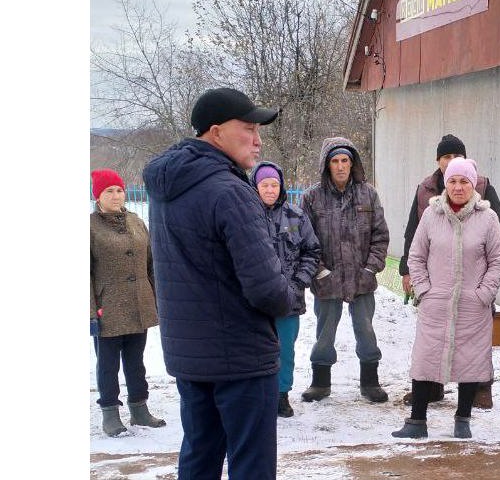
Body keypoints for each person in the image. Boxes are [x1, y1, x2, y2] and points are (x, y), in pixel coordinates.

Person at [143, 87, 302, 480]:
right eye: (248, 128)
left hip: (192, 355)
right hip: (241, 357)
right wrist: (291, 296)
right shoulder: (231, 191)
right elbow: (266, 287)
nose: (258, 139)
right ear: (216, 132)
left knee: (199, 454)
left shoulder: (168, 189)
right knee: (251, 464)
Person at [392, 158, 500, 439]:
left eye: (464, 181)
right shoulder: (432, 215)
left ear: (473, 184)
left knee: (470, 361)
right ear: (446, 183)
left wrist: (484, 294)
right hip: (436, 303)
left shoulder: (487, 218)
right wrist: (424, 290)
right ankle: (416, 422)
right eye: (453, 181)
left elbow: (498, 261)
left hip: (473, 304)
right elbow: (416, 256)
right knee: (425, 359)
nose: (458, 187)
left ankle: (463, 419)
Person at [299, 137, 390, 403]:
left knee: (366, 330)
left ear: (352, 164)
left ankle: (370, 382)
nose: (340, 166)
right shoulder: (311, 197)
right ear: (327, 165)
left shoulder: (368, 194)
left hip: (362, 279)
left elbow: (380, 236)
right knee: (324, 333)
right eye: (335, 161)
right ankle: (320, 381)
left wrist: (371, 269)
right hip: (327, 280)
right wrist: (320, 272)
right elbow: (305, 240)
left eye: (345, 161)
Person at [90, 168, 166, 437]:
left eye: (119, 190)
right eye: (108, 191)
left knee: (136, 361)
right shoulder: (89, 226)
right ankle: (110, 413)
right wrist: (90, 312)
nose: (115, 195)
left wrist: (156, 299)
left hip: (139, 306)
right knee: (108, 365)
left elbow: (150, 265)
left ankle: (139, 409)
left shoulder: (136, 222)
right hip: (107, 307)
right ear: (97, 195)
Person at [250, 161, 322, 418]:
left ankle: (281, 395)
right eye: (264, 185)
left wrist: (298, 282)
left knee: (285, 350)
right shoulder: (246, 216)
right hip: (254, 300)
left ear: (281, 187)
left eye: (274, 185)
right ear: (255, 186)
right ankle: (259, 396)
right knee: (255, 349)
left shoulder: (296, 216)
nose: (270, 190)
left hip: (288, 298)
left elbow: (312, 251)